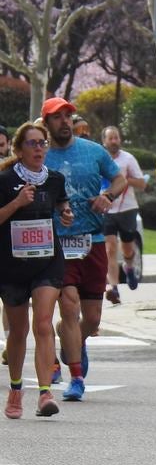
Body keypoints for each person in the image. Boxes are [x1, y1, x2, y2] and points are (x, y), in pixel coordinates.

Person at [42, 96, 125, 402]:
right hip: (57, 244)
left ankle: (74, 338)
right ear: (47, 122)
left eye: (68, 116)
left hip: (93, 241)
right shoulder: (41, 155)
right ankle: (76, 378)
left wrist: (107, 196)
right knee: (69, 303)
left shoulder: (93, 151)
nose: (64, 121)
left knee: (91, 318)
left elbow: (119, 179)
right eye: (57, 117)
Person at [0, 121, 73, 418]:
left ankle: (45, 393)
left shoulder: (54, 180)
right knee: (18, 330)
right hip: (11, 265)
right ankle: (16, 388)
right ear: (18, 150)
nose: (39, 148)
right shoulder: (4, 180)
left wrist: (66, 213)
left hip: (47, 260)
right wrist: (17, 203)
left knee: (43, 322)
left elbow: (62, 205)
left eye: (42, 143)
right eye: (32, 143)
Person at [101, 126, 148, 303]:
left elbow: (142, 184)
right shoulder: (101, 159)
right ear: (104, 141)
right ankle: (113, 288)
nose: (114, 141)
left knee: (127, 247)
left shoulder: (128, 159)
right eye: (110, 138)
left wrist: (124, 180)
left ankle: (128, 266)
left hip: (127, 208)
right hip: (107, 210)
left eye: (116, 138)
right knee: (109, 248)